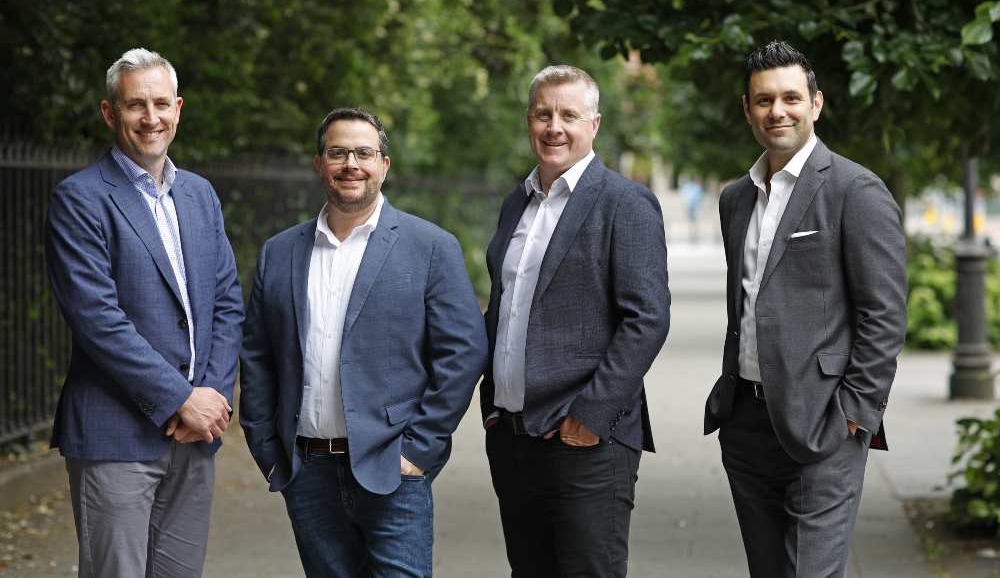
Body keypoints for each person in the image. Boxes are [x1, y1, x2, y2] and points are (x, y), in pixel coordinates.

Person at [239, 107, 487, 577]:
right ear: (319, 164)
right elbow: (257, 356)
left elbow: (463, 352)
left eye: (363, 152)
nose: (351, 163)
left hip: (393, 470)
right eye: (338, 152)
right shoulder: (280, 252)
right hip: (306, 470)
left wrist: (418, 450)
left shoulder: (431, 247)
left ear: (384, 165)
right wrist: (268, 451)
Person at [703, 40, 907, 577]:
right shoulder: (735, 199)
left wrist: (855, 416)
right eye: (764, 100)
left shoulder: (854, 190)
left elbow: (883, 315)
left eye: (791, 97)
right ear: (747, 109)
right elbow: (746, 302)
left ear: (816, 103)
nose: (778, 112)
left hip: (824, 424)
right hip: (746, 423)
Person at [44, 48, 244, 577]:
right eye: (136, 105)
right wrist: (180, 398)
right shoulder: (81, 199)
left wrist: (213, 398)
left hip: (195, 437)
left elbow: (227, 302)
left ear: (178, 108)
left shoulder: (200, 195)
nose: (150, 118)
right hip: (116, 434)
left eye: (161, 104)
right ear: (111, 114)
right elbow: (97, 321)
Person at [480, 65, 670, 577]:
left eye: (569, 115)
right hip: (514, 436)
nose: (554, 127)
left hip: (587, 441)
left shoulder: (624, 203)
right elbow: (505, 308)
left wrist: (590, 416)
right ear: (529, 121)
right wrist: (494, 412)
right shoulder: (515, 204)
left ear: (595, 125)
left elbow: (647, 319)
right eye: (544, 114)